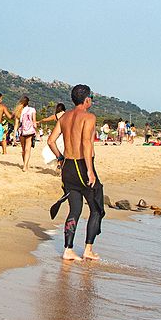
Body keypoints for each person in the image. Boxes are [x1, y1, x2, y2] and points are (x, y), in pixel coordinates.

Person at [53, 84, 103, 261]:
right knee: (97, 208)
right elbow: (86, 144)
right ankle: (88, 250)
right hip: (82, 166)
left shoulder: (64, 117)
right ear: (87, 99)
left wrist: (60, 158)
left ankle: (68, 250)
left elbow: (51, 141)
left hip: (68, 167)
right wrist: (90, 171)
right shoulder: (89, 117)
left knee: (75, 209)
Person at [16, 95, 38, 171]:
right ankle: (25, 166)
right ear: (28, 102)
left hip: (21, 130)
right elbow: (34, 122)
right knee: (27, 149)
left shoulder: (19, 110)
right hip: (29, 130)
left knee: (23, 149)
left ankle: (25, 164)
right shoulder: (32, 110)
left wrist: (14, 135)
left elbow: (16, 124)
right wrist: (36, 131)